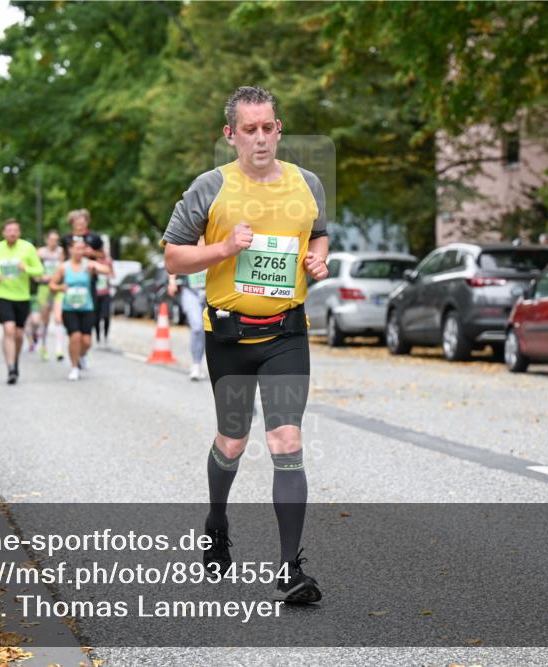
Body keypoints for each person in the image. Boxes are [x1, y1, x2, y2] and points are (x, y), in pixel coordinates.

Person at [162, 85, 329, 604]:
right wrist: (224, 248)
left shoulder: (308, 183)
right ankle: (216, 521)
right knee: (232, 442)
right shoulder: (210, 188)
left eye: (269, 128)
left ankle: (290, 569)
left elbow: (318, 232)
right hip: (230, 336)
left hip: (286, 333)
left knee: (286, 442)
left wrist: (317, 260)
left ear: (279, 129)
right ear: (230, 135)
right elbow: (173, 258)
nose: (261, 139)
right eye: (249, 130)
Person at [0, 218, 44, 384]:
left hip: (22, 297)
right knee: (8, 330)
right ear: (3, 233)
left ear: (19, 232)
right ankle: (10, 368)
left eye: (15, 230)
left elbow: (39, 269)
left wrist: (26, 268)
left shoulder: (27, 248)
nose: (12, 233)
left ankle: (15, 360)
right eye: (8, 230)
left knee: (18, 334)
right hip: (3, 295)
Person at [48, 237, 112, 381]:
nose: (79, 251)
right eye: (77, 248)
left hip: (86, 307)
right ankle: (74, 367)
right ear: (70, 249)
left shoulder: (88, 265)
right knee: (75, 337)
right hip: (69, 308)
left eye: (82, 249)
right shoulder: (64, 267)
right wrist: (60, 287)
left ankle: (81, 355)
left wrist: (95, 268)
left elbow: (107, 270)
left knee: (87, 341)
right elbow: (52, 284)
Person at [168, 245, 208, 380]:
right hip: (190, 292)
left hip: (210, 292)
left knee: (208, 331)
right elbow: (174, 259)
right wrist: (172, 281)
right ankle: (196, 364)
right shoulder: (190, 238)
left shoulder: (215, 236)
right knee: (197, 327)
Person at [36, 230, 66, 361]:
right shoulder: (41, 253)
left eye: (56, 239)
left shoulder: (61, 252)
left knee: (58, 318)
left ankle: (59, 349)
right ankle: (43, 346)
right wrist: (42, 277)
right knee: (45, 320)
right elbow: (35, 272)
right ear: (46, 240)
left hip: (58, 288)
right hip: (44, 288)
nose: (54, 242)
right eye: (52, 239)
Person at [93, 247, 114, 348]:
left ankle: (105, 337)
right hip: (96, 293)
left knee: (106, 316)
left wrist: (110, 275)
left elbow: (112, 274)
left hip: (106, 293)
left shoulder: (108, 261)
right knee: (96, 317)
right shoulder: (94, 262)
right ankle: (97, 338)